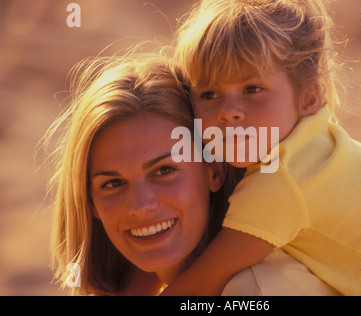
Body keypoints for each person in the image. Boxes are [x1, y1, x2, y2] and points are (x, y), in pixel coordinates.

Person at [163, 0, 361, 296]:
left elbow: (198, 287)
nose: (228, 111)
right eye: (209, 94)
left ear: (309, 97)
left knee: (251, 289)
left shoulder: (281, 182)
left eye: (252, 89)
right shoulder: (316, 143)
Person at [44, 51, 339, 296]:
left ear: (214, 169)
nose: (140, 205)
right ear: (91, 204)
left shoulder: (258, 290)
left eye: (164, 170)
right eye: (113, 183)